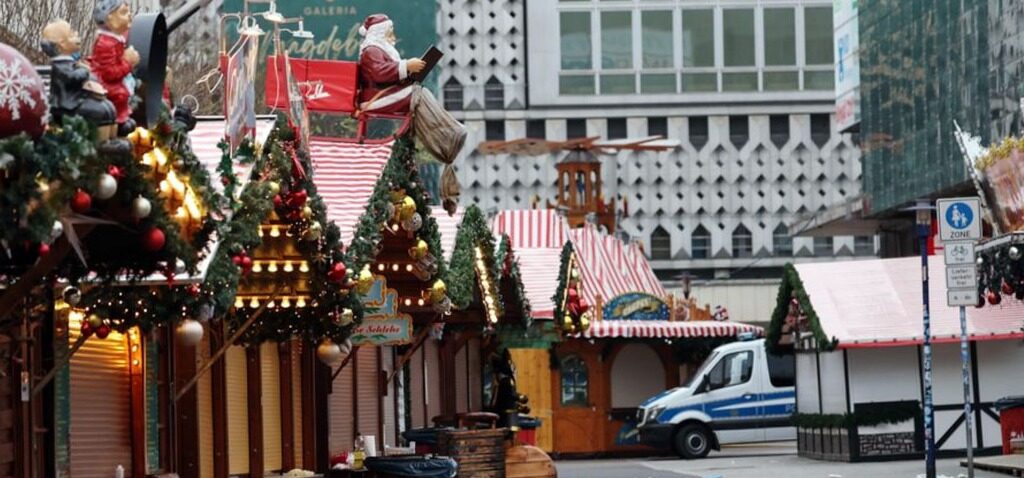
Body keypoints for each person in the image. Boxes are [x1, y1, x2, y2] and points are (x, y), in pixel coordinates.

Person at [40, 20, 119, 146]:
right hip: (66, 107)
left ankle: (112, 139)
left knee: (109, 108)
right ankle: (102, 144)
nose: (76, 34)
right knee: (100, 111)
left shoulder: (71, 63)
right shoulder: (59, 66)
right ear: (62, 45)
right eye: (71, 35)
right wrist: (83, 70)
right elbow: (73, 78)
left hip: (77, 100)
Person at [357, 14, 424, 114]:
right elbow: (379, 73)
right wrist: (406, 66)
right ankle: (445, 127)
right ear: (380, 32)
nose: (393, 35)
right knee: (419, 95)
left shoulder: (382, 50)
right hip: (375, 97)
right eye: (389, 32)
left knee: (419, 92)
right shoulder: (371, 50)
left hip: (385, 93)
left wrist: (410, 72)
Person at [89, 0, 139, 135]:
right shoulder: (106, 43)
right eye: (123, 12)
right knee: (119, 98)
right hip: (108, 91)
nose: (129, 15)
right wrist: (128, 62)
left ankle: (120, 125)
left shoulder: (115, 40)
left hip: (116, 92)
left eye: (129, 12)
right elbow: (110, 73)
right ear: (110, 19)